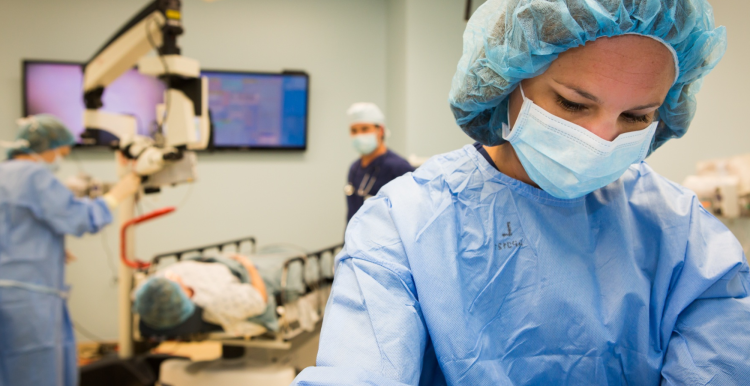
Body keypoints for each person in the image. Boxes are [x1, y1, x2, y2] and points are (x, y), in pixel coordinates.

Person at [293, 1, 750, 385]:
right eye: (573, 104)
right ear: (505, 81)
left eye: (635, 117)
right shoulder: (403, 222)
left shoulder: (684, 235)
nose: (601, 138)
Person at [0, 114, 141, 386]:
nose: (60, 159)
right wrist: (118, 194)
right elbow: (79, 219)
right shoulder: (34, 175)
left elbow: (17, 226)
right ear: (48, 149)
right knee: (34, 368)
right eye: (61, 153)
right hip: (28, 294)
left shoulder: (4, 172)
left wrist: (47, 245)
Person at [134, 253, 269, 336]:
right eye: (172, 281)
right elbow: (259, 299)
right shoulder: (215, 302)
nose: (172, 276)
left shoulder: (155, 285)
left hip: (224, 262)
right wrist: (250, 266)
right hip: (246, 270)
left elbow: (137, 292)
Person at [345, 102, 414, 222]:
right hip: (355, 238)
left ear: (380, 130)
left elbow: (413, 214)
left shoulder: (399, 167)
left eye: (365, 129)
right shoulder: (354, 168)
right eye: (354, 131)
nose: (359, 135)